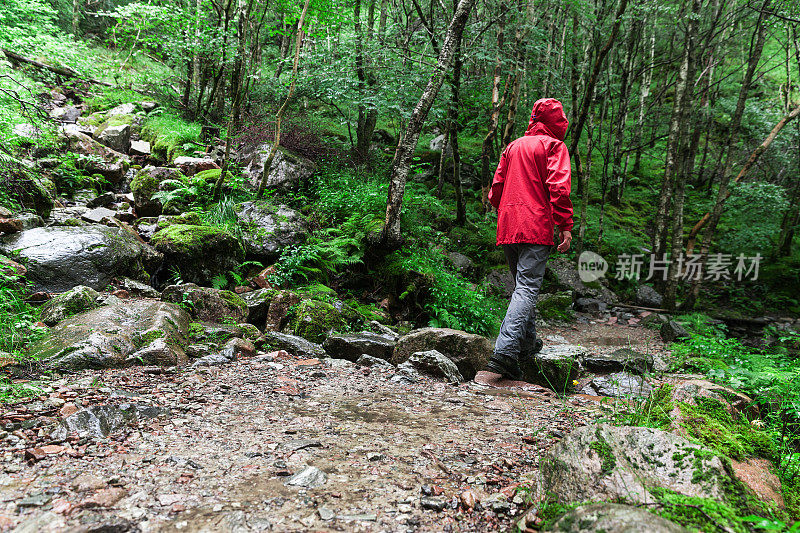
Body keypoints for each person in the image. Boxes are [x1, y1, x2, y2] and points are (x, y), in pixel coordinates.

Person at [484, 98, 573, 380]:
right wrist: (565, 225)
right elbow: (558, 188)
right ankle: (504, 354)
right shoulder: (553, 146)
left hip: (509, 224)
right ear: (556, 122)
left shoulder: (512, 146)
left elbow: (495, 189)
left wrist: (504, 212)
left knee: (522, 287)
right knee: (527, 288)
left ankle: (526, 346)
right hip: (536, 225)